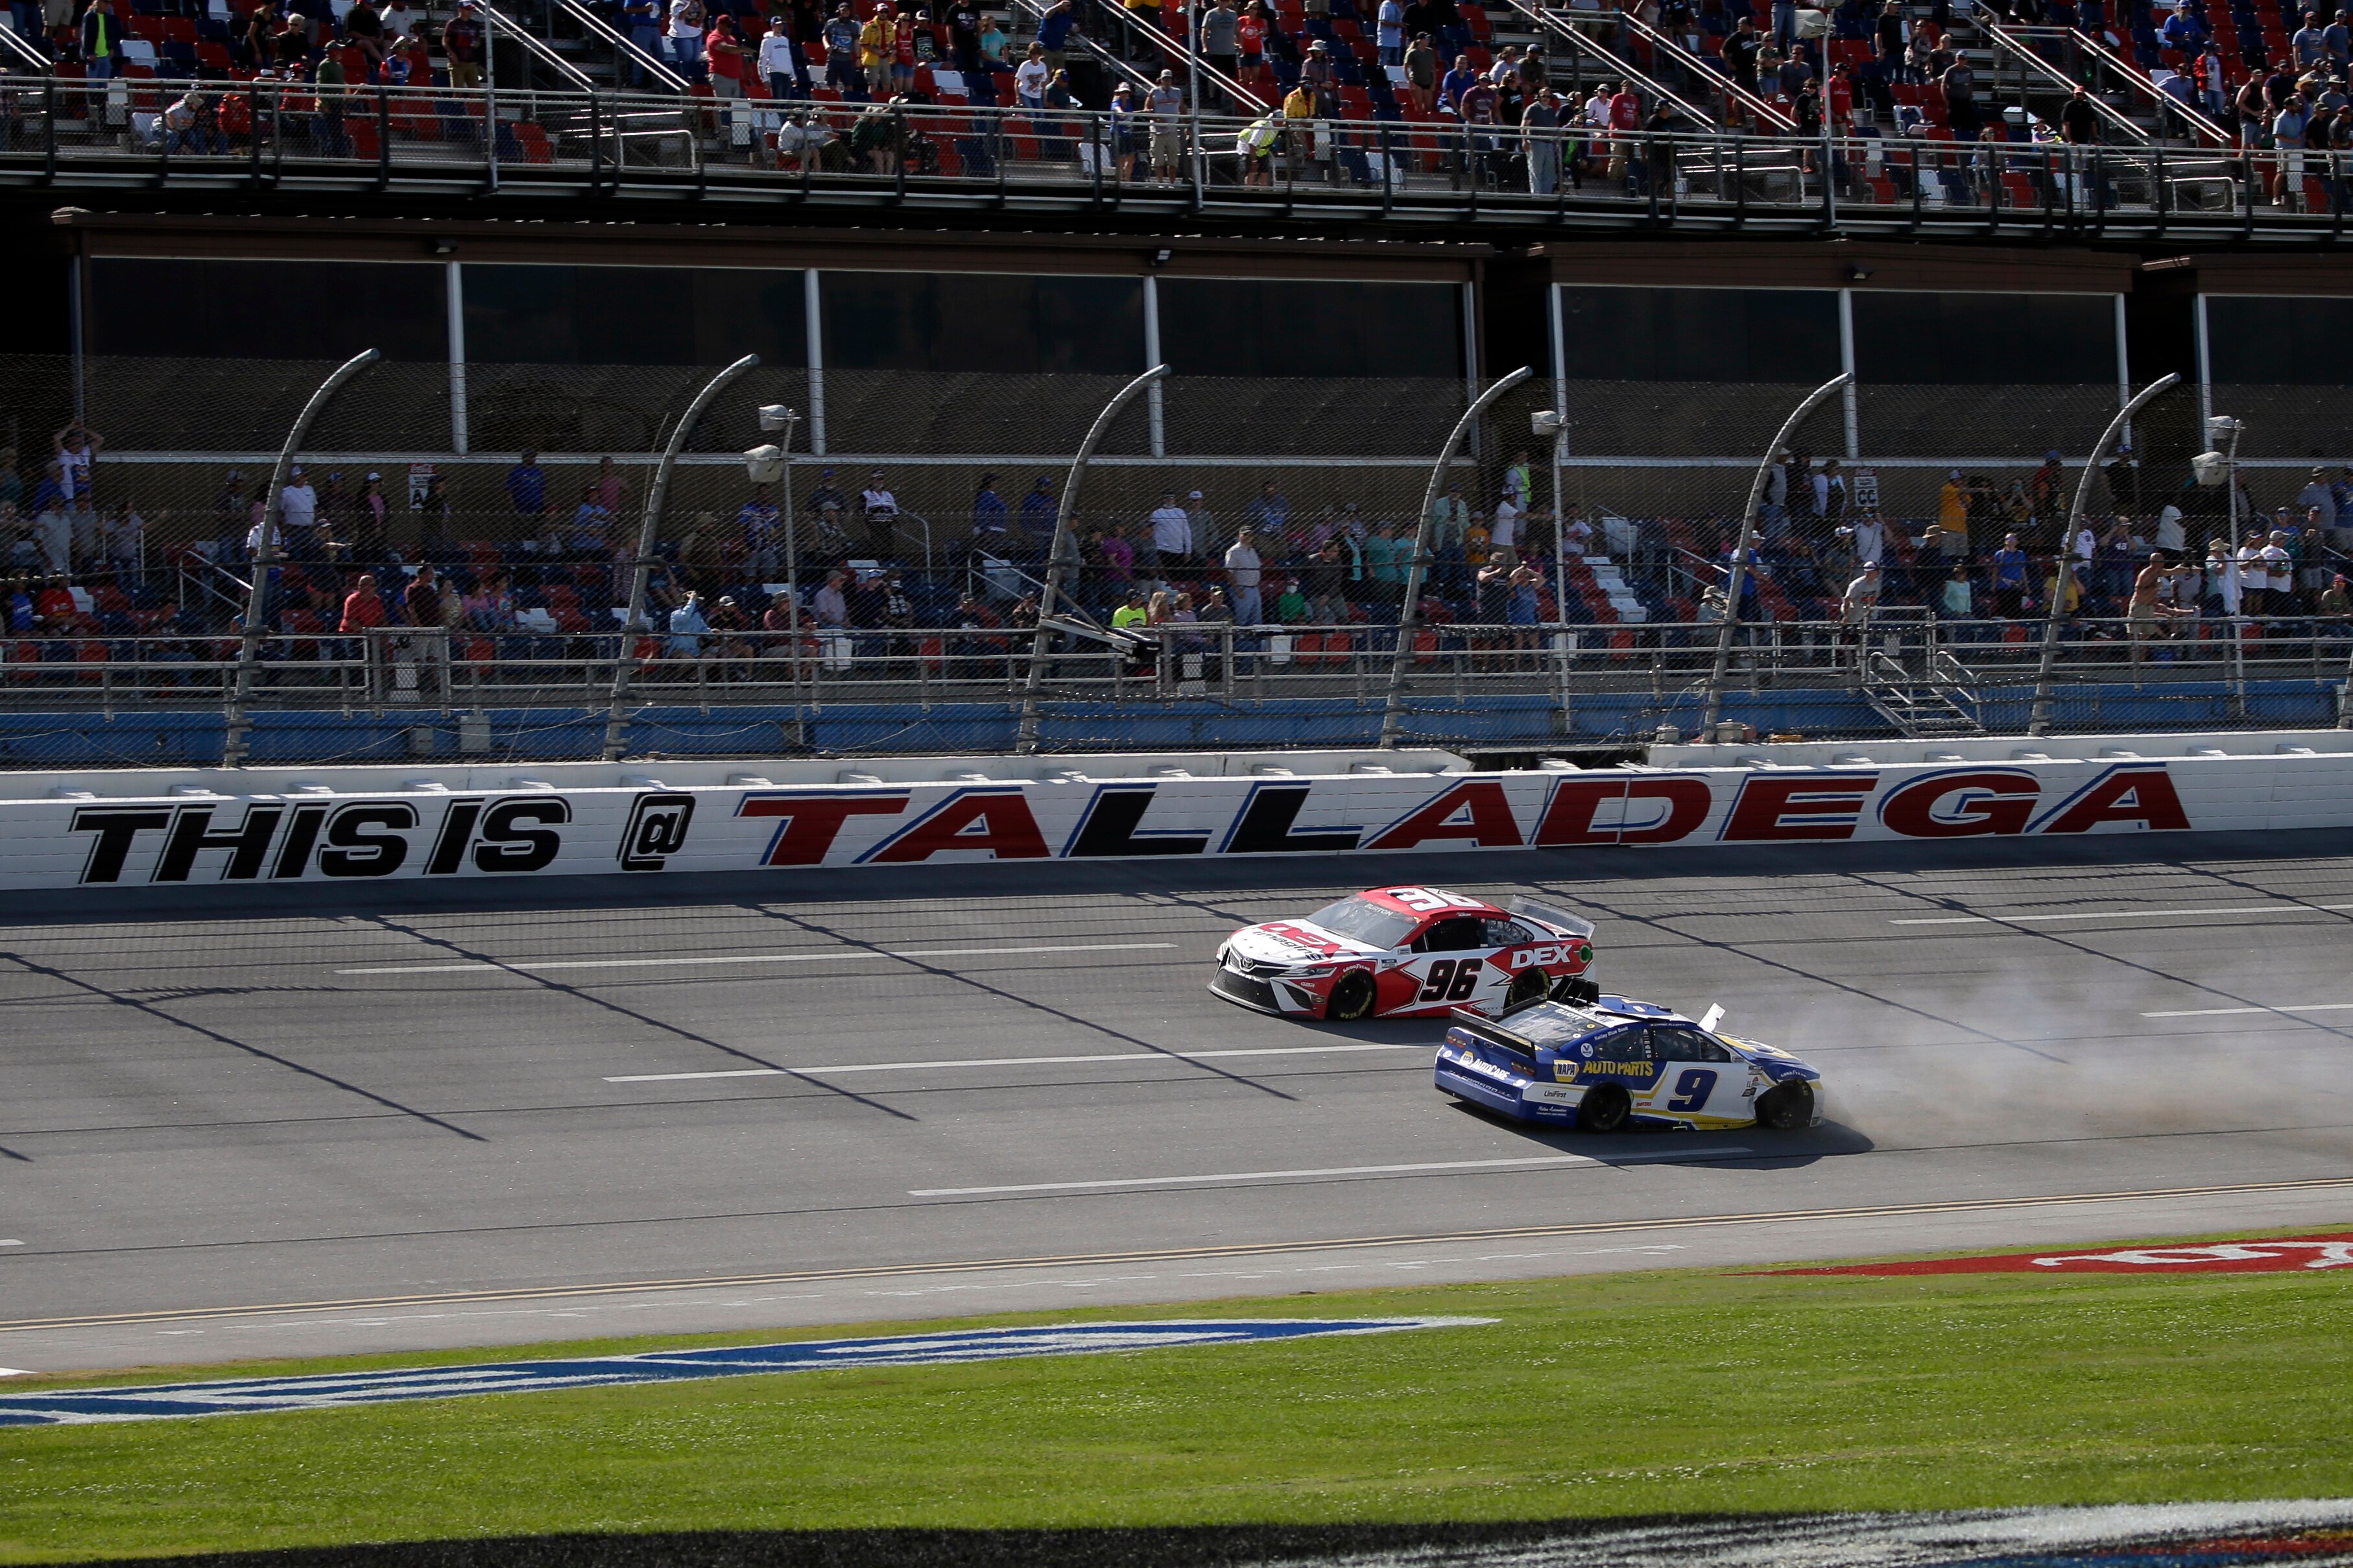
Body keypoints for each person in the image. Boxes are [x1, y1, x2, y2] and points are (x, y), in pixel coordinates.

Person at [1224, 526, 1263, 625]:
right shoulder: (1234, 551)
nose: (1248, 537)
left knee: (1256, 619)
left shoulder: (1253, 551)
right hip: (1243, 588)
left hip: (1255, 588)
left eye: (1250, 535)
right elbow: (1229, 571)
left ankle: (1255, 639)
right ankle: (1241, 638)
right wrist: (1238, 589)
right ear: (1239, 536)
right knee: (1242, 619)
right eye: (1245, 534)